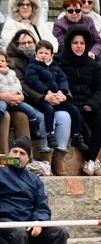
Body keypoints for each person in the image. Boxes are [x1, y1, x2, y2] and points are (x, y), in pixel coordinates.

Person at [0, 136, 69, 244]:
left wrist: (39, 221)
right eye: (14, 151)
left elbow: (42, 206)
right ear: (8, 153)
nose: (17, 155)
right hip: (6, 223)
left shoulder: (34, 180)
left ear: (28, 158)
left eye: (22, 153)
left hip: (30, 224)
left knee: (60, 232)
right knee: (19, 232)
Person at [6, 30, 68, 172]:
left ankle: (58, 159)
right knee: (44, 116)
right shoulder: (13, 61)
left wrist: (64, 94)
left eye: (30, 42)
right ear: (17, 45)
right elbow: (23, 84)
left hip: (50, 101)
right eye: (23, 43)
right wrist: (44, 96)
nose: (27, 45)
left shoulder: (45, 59)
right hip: (31, 101)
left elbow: (61, 78)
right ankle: (44, 156)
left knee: (65, 117)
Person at [58, 24, 101, 176]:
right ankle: (92, 160)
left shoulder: (93, 64)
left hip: (89, 105)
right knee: (78, 121)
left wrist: (93, 104)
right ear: (69, 44)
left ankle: (90, 161)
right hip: (70, 105)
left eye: (82, 43)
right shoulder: (60, 62)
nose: (79, 46)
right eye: (75, 43)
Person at [25, 39, 89, 157]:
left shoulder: (55, 66)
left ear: (52, 55)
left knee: (73, 109)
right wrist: (46, 92)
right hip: (42, 98)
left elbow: (63, 79)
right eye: (40, 53)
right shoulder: (32, 67)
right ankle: (50, 134)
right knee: (48, 110)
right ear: (36, 54)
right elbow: (33, 81)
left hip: (57, 97)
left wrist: (62, 91)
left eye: (46, 53)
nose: (43, 55)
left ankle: (76, 135)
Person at [0, 48, 46, 158]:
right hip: (1, 106)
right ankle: (4, 156)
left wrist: (20, 97)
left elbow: (18, 86)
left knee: (22, 116)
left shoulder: (11, 72)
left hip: (12, 103)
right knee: (4, 116)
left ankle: (26, 158)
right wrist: (2, 96)